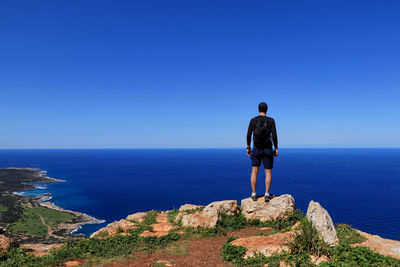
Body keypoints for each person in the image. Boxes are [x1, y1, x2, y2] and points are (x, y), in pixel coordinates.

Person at [246, 102, 278, 202]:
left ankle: (254, 194)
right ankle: (267, 194)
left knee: (254, 172)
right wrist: (276, 148)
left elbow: (248, 135)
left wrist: (248, 147)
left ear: (258, 109)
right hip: (268, 149)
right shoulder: (271, 121)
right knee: (268, 172)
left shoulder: (253, 121)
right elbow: (274, 136)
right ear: (266, 109)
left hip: (256, 148)